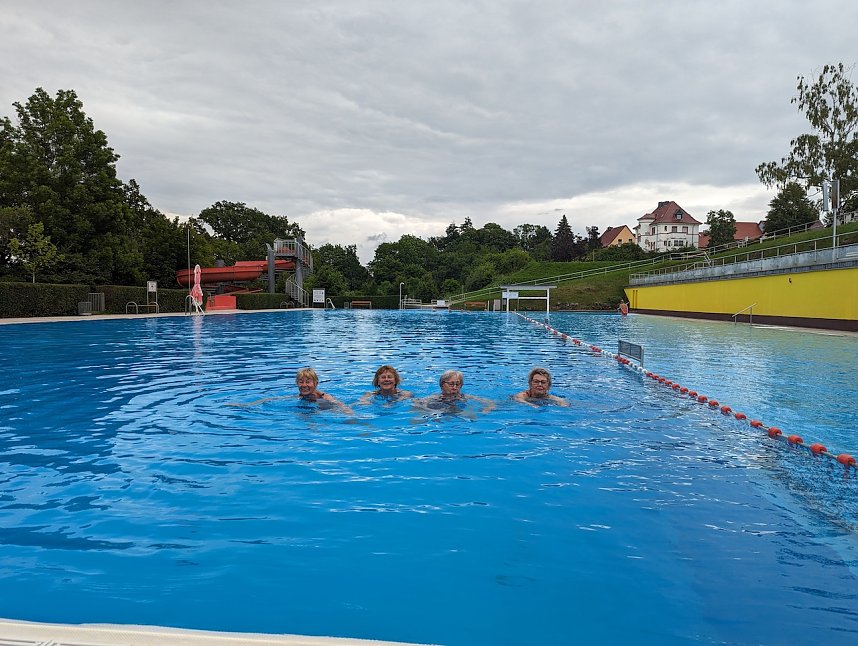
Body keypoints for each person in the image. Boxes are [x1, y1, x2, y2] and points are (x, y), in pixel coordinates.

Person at [413, 369, 495, 414]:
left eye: (458, 384)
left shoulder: (465, 397)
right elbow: (417, 403)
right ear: (442, 385)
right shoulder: (435, 397)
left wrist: (487, 409)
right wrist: (430, 411)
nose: (455, 387)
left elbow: (490, 402)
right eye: (451, 384)